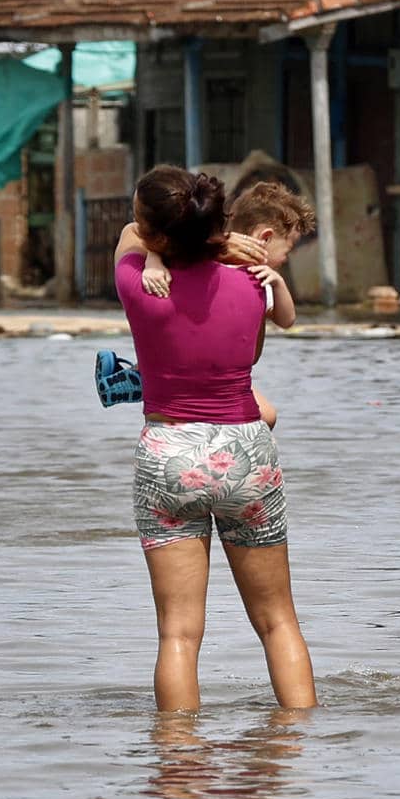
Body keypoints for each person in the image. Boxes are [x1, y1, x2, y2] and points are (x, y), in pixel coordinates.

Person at [114, 166, 318, 713]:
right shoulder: (253, 285)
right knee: (278, 623)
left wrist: (171, 247)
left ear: (158, 235)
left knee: (178, 635)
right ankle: (298, 747)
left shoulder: (138, 284)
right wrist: (227, 245)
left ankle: (178, 762)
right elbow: (250, 357)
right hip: (246, 452)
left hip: (169, 454)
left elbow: (128, 239)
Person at [102, 181, 313, 427]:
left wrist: (277, 285)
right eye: (288, 250)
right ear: (265, 238)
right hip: (199, 374)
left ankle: (138, 375)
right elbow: (145, 234)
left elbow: (140, 233)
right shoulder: (221, 270)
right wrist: (154, 259)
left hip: (206, 372)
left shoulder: (260, 278)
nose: (286, 259)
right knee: (265, 416)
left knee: (267, 415)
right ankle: (139, 374)